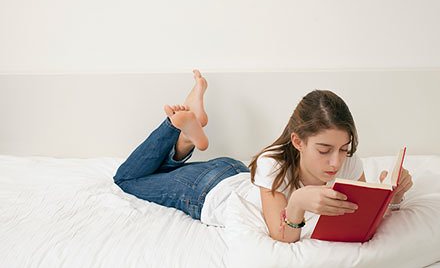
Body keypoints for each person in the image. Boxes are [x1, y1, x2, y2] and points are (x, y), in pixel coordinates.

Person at [113, 70, 413, 243]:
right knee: (127, 178)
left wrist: (391, 195)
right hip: (205, 190)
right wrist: (296, 203)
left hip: (236, 172)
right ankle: (176, 127)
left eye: (344, 149)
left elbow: (359, 214)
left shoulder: (347, 161)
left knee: (156, 172)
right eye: (324, 150)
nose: (336, 162)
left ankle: (189, 136)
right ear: (297, 140)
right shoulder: (273, 162)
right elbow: (282, 234)